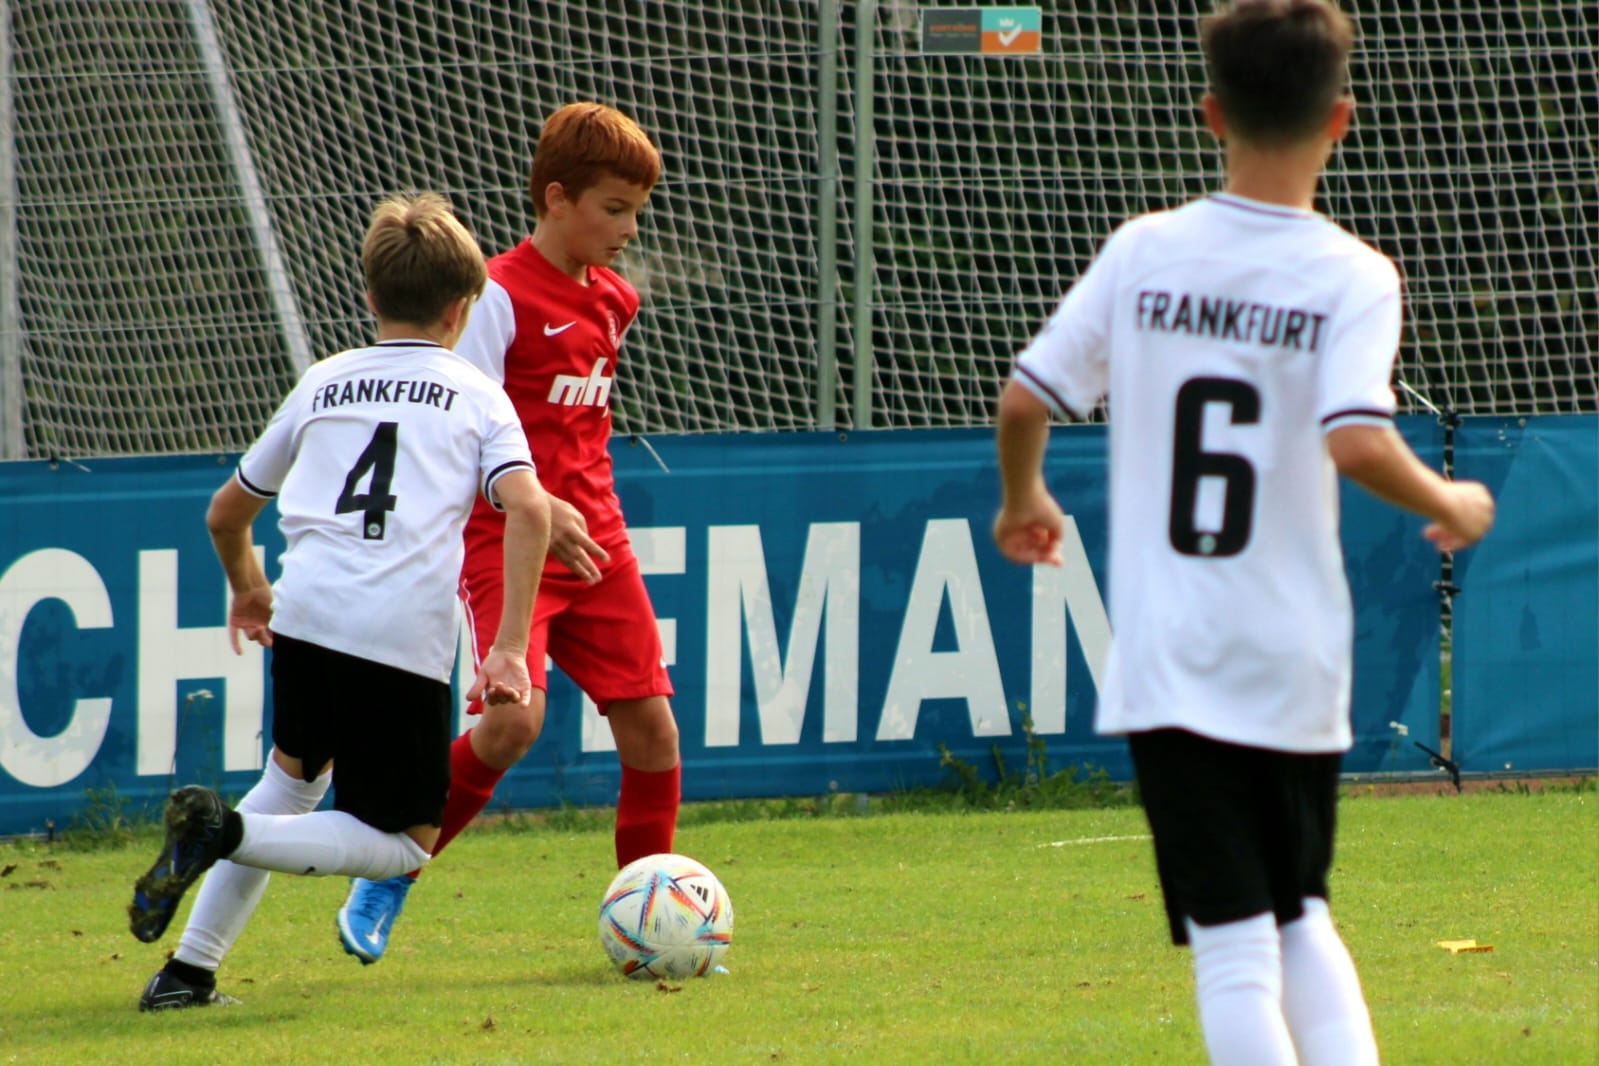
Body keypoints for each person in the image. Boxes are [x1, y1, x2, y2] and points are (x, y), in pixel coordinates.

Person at [992, 3, 1494, 1063]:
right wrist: (1448, 501)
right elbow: (1356, 439)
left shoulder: (1146, 251)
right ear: (1341, 118)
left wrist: (1023, 498)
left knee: (1230, 947)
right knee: (1300, 912)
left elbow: (1026, 396)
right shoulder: (1355, 272)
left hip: (1176, 655)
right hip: (1292, 652)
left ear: (1212, 112)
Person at [131, 192, 553, 1010]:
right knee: (405, 846)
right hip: (397, 635)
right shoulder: (476, 394)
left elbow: (225, 513)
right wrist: (507, 650)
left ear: (369, 297)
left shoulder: (324, 380)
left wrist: (250, 590)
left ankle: (186, 974)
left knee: (292, 780)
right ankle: (223, 831)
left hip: (307, 617)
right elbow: (529, 510)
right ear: (462, 309)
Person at [336, 102, 683, 965]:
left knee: (652, 732)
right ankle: (391, 870)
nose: (629, 229)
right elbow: (460, 425)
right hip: (508, 541)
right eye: (614, 209)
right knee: (512, 725)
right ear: (556, 199)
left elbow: (581, 429)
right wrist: (537, 504)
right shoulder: (496, 297)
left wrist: (576, 509)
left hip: (596, 542)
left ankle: (651, 924)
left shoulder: (616, 299)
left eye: (637, 211)